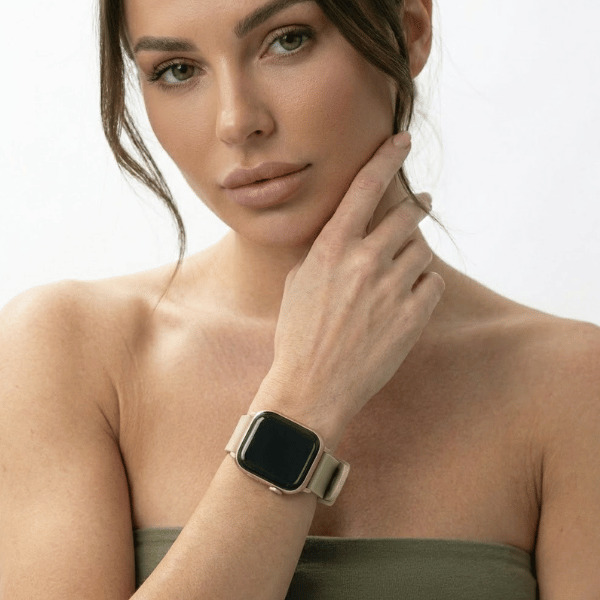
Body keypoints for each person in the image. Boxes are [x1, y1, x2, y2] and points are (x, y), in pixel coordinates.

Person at [0, 0, 598, 598]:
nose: (236, 122)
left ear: (410, 30)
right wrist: (304, 402)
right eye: (178, 70)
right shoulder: (68, 354)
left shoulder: (571, 385)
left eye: (287, 40)